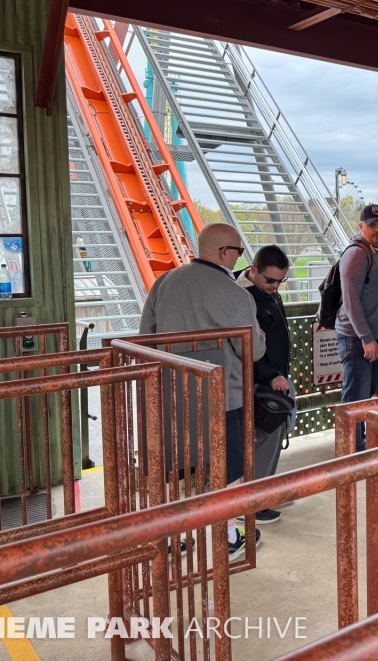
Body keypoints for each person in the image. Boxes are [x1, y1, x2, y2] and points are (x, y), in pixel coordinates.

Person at [139, 222, 264, 561]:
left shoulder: (164, 283)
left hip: (170, 393)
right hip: (222, 397)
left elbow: (145, 334)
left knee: (174, 468)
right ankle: (229, 537)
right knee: (230, 469)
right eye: (238, 252)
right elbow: (253, 350)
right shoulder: (234, 294)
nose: (239, 259)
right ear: (224, 252)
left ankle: (173, 537)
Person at [236, 245, 293, 525]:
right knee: (260, 440)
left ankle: (264, 493)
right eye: (270, 280)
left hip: (275, 379)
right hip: (259, 381)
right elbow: (244, 346)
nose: (275, 286)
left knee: (271, 438)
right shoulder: (242, 297)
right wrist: (270, 374)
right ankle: (254, 503)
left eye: (281, 281)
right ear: (254, 270)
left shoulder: (263, 290)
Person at [336, 203, 378, 450]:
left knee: (365, 393)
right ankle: (350, 448)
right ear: (361, 226)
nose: (377, 229)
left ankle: (358, 443)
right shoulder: (356, 254)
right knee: (355, 398)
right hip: (356, 338)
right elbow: (350, 299)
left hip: (371, 335)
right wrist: (365, 337)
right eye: (372, 225)